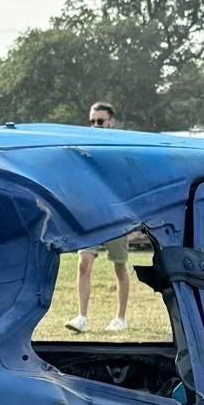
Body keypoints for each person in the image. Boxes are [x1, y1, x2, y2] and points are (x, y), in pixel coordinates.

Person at [69, 101, 131, 333]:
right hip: (91, 215)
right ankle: (82, 317)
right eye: (92, 121)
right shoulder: (84, 147)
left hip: (116, 215)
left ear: (111, 122)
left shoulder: (120, 148)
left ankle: (120, 318)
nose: (95, 125)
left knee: (119, 266)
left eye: (100, 121)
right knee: (83, 263)